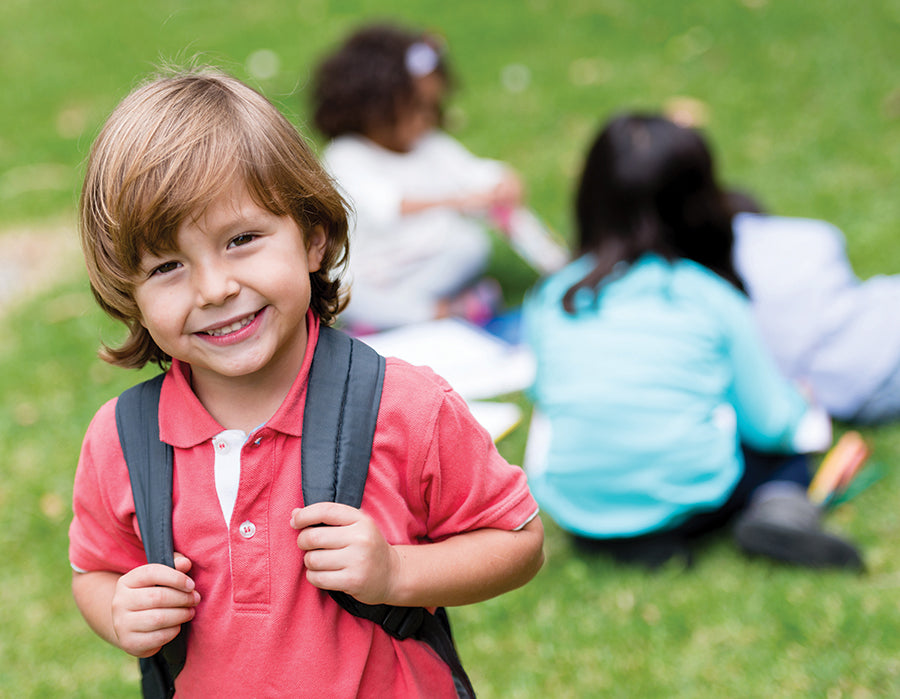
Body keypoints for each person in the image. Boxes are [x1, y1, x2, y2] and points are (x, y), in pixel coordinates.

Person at [68, 67, 544, 698]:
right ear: (128, 293)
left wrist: (395, 572)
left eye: (242, 239)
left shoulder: (405, 407)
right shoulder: (122, 440)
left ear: (313, 238)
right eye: (167, 266)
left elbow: (517, 541)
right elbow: (95, 571)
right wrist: (119, 611)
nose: (215, 289)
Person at [522, 113, 862, 570]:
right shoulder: (706, 294)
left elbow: (546, 392)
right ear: (701, 204)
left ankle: (628, 540)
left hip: (578, 506)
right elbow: (772, 423)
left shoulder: (553, 295)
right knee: (783, 453)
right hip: (688, 499)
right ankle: (779, 511)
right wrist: (800, 406)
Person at [309, 23, 526, 332]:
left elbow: (472, 173)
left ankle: (396, 317)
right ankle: (443, 312)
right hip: (371, 270)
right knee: (343, 290)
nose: (425, 119)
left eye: (431, 108)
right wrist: (459, 201)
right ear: (371, 108)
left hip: (422, 261)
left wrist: (502, 182)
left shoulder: (431, 145)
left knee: (471, 244)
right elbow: (388, 206)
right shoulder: (346, 155)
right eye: (414, 109)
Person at [728, 191, 900, 424]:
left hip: (855, 367)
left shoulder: (701, 298)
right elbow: (823, 238)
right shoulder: (777, 247)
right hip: (877, 365)